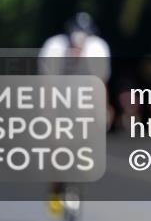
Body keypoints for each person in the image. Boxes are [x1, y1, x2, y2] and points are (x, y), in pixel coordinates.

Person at [38, 12, 111, 217]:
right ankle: (55, 189)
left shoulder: (98, 49)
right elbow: (47, 86)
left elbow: (99, 86)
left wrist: (102, 112)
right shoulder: (54, 48)